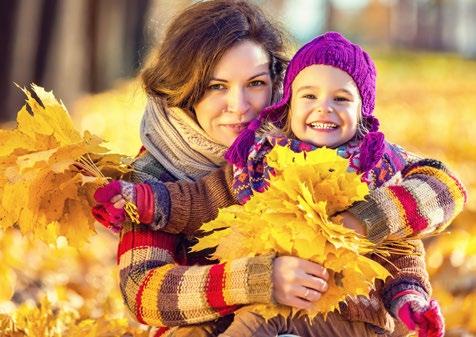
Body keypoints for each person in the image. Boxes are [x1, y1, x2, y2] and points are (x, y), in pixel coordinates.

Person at [93, 4, 466, 337]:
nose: (239, 107)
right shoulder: (158, 166)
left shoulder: (304, 138)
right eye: (215, 87)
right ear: (187, 89)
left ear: (277, 83)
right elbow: (143, 292)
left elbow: (444, 186)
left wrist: (362, 220)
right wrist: (260, 279)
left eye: (255, 83)